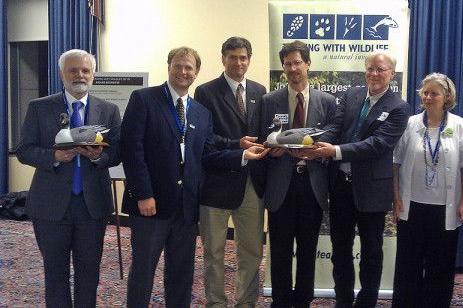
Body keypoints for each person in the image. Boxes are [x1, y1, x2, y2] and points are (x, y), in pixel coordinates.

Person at [120, 46, 268, 307]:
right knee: (143, 271)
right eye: (178, 65)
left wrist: (243, 156)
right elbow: (132, 151)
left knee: (181, 274)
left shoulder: (200, 111)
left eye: (189, 67)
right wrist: (143, 194)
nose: (183, 72)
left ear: (197, 72)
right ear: (169, 67)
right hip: (150, 205)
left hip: (186, 207)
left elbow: (207, 154)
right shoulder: (144, 99)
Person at [16, 49, 121, 307]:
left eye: (85, 70)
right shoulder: (39, 107)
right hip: (50, 207)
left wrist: (98, 157)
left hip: (92, 206)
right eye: (73, 70)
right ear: (62, 74)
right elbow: (24, 151)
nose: (79, 75)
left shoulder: (108, 110)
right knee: (55, 275)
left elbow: (118, 153)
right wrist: (54, 158)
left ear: (93, 75)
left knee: (89, 274)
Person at [308, 49, 411, 307]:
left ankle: (366, 302)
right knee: (340, 250)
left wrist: (337, 152)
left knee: (372, 253)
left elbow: (377, 144)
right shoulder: (351, 95)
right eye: (370, 69)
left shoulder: (400, 108)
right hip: (341, 188)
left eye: (381, 70)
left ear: (392, 74)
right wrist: (313, 145)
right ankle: (343, 301)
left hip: (373, 191)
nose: (374, 74)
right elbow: (335, 127)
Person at [261, 40, 336, 307]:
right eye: (287, 64)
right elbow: (262, 139)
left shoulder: (328, 102)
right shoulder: (270, 100)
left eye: (297, 62)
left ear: (308, 64)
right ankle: (280, 301)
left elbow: (333, 137)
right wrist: (271, 150)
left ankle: (303, 300)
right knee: (280, 251)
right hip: (281, 186)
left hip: (312, 185)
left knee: (307, 250)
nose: (292, 68)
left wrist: (318, 151)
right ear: (283, 67)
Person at [194, 37, 267, 307]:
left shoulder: (261, 91)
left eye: (243, 57)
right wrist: (238, 147)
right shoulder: (205, 92)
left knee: (250, 252)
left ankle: (245, 303)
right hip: (216, 183)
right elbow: (204, 138)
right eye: (233, 57)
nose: (239, 63)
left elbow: (264, 134)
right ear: (223, 58)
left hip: (251, 184)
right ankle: (216, 303)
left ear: (249, 59)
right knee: (213, 253)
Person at [391, 73, 463, 307]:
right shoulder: (410, 123)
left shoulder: (459, 125)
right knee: (408, 265)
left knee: (440, 266)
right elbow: (395, 161)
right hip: (411, 206)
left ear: (446, 96)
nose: (428, 97)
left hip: (445, 209)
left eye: (434, 93)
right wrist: (395, 197)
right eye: (425, 93)